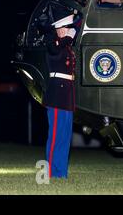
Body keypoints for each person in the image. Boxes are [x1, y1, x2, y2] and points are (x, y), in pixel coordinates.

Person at [42, 12, 77, 179]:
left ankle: (61, 172)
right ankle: (49, 171)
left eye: (68, 28)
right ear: (57, 29)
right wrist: (68, 38)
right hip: (56, 94)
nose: (66, 31)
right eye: (63, 28)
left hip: (67, 94)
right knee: (55, 135)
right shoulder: (52, 44)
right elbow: (55, 48)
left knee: (65, 136)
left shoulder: (67, 47)